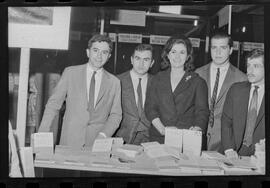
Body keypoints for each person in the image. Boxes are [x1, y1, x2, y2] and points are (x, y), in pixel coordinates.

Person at [38, 34, 122, 147]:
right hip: (70, 139)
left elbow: (116, 115)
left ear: (109, 56)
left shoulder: (114, 82)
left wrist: (104, 135)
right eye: (95, 50)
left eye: (104, 52)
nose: (99, 56)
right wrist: (42, 133)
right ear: (88, 52)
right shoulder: (70, 73)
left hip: (98, 143)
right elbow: (53, 105)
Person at [145, 35, 209, 144]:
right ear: (168, 55)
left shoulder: (197, 82)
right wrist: (162, 130)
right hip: (159, 137)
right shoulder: (157, 79)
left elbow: (202, 112)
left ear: (188, 56)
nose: (177, 56)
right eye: (173, 52)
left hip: (186, 139)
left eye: (182, 52)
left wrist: (197, 128)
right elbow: (150, 108)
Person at [196, 31, 247, 152]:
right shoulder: (197, 74)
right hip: (197, 137)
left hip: (225, 142)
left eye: (223, 48)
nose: (218, 52)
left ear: (230, 50)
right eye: (214, 47)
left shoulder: (242, 79)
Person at [221, 49, 265, 158]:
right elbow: (226, 122)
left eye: (256, 66)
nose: (249, 71)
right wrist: (229, 149)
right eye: (248, 65)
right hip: (235, 153)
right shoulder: (236, 90)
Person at [115, 44, 154, 145]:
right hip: (123, 138)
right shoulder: (117, 81)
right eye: (137, 58)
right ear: (131, 60)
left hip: (150, 140)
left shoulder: (158, 83)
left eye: (146, 60)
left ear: (152, 63)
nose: (141, 64)